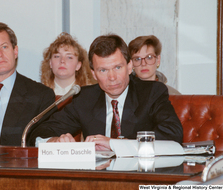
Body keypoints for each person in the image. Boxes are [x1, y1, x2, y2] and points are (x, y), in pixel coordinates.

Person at [28, 34, 183, 150]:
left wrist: (114, 143)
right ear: (94, 74)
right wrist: (53, 141)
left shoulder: (151, 92)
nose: (112, 77)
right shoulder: (84, 98)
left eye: (117, 67)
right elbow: (37, 133)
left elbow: (173, 132)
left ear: (129, 67)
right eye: (103, 70)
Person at [41, 32, 93, 96]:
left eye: (69, 57)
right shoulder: (39, 93)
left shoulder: (90, 94)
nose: (62, 60)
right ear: (50, 63)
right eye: (57, 56)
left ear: (78, 65)